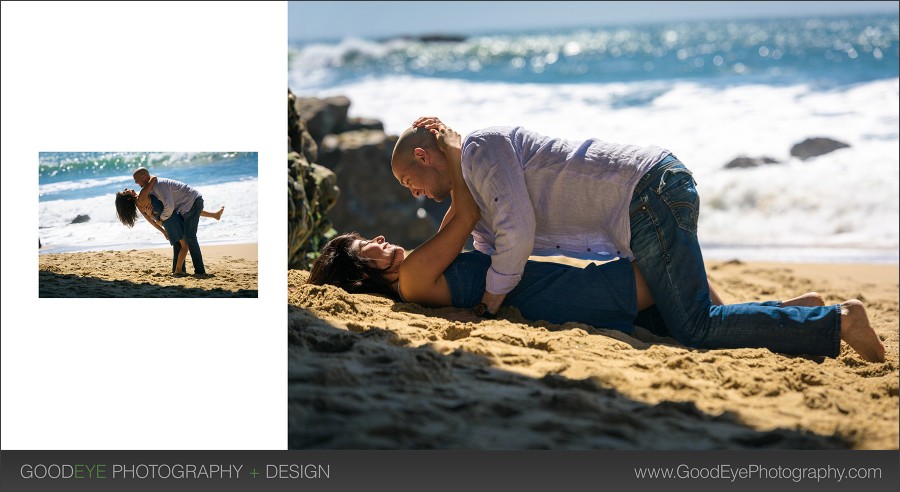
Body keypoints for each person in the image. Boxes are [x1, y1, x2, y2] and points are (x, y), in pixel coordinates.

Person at [309, 122, 845, 359]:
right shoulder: (417, 275)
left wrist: (450, 146)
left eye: (411, 180)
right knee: (676, 323)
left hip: (646, 193)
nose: (415, 195)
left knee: (694, 325)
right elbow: (480, 230)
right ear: (362, 273)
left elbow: (500, 229)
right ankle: (787, 314)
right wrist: (447, 151)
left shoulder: (478, 154)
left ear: (424, 157)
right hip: (626, 218)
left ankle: (837, 323)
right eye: (367, 247)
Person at [132, 168, 213, 275]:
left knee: (190, 238)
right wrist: (157, 219)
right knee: (179, 242)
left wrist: (160, 219)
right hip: (182, 208)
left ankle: (200, 272)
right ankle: (178, 270)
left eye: (136, 180)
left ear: (143, 176)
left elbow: (169, 207)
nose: (136, 183)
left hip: (192, 202)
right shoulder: (150, 188)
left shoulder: (159, 185)